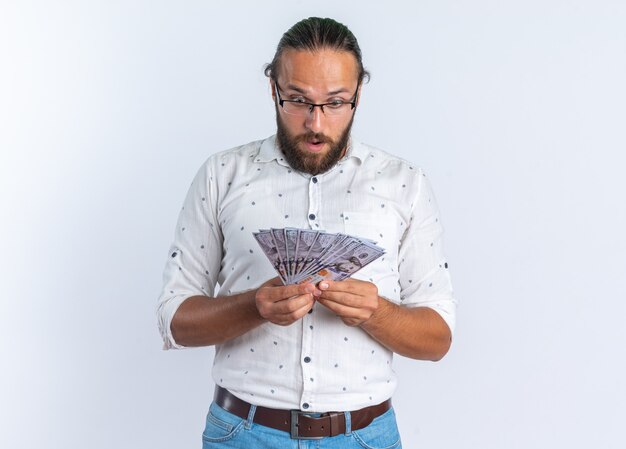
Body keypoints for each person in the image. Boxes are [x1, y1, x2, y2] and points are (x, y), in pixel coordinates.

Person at [157, 17, 456, 448]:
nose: (316, 124)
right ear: (272, 90)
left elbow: (438, 339)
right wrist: (253, 306)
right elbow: (175, 321)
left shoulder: (405, 184)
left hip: (364, 437)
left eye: (336, 103)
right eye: (298, 100)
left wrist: (375, 312)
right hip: (243, 434)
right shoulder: (222, 175)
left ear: (358, 94)